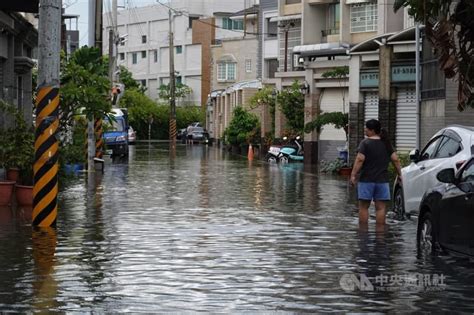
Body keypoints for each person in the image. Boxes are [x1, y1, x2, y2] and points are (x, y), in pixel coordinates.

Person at [350, 119, 402, 226]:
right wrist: (399, 174)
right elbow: (395, 159)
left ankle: (363, 233)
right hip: (382, 181)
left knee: (364, 207)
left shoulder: (365, 143)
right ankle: (380, 235)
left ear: (372, 130)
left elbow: (360, 159)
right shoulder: (386, 143)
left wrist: (353, 174)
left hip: (366, 180)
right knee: (381, 208)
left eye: (366, 128)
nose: (365, 130)